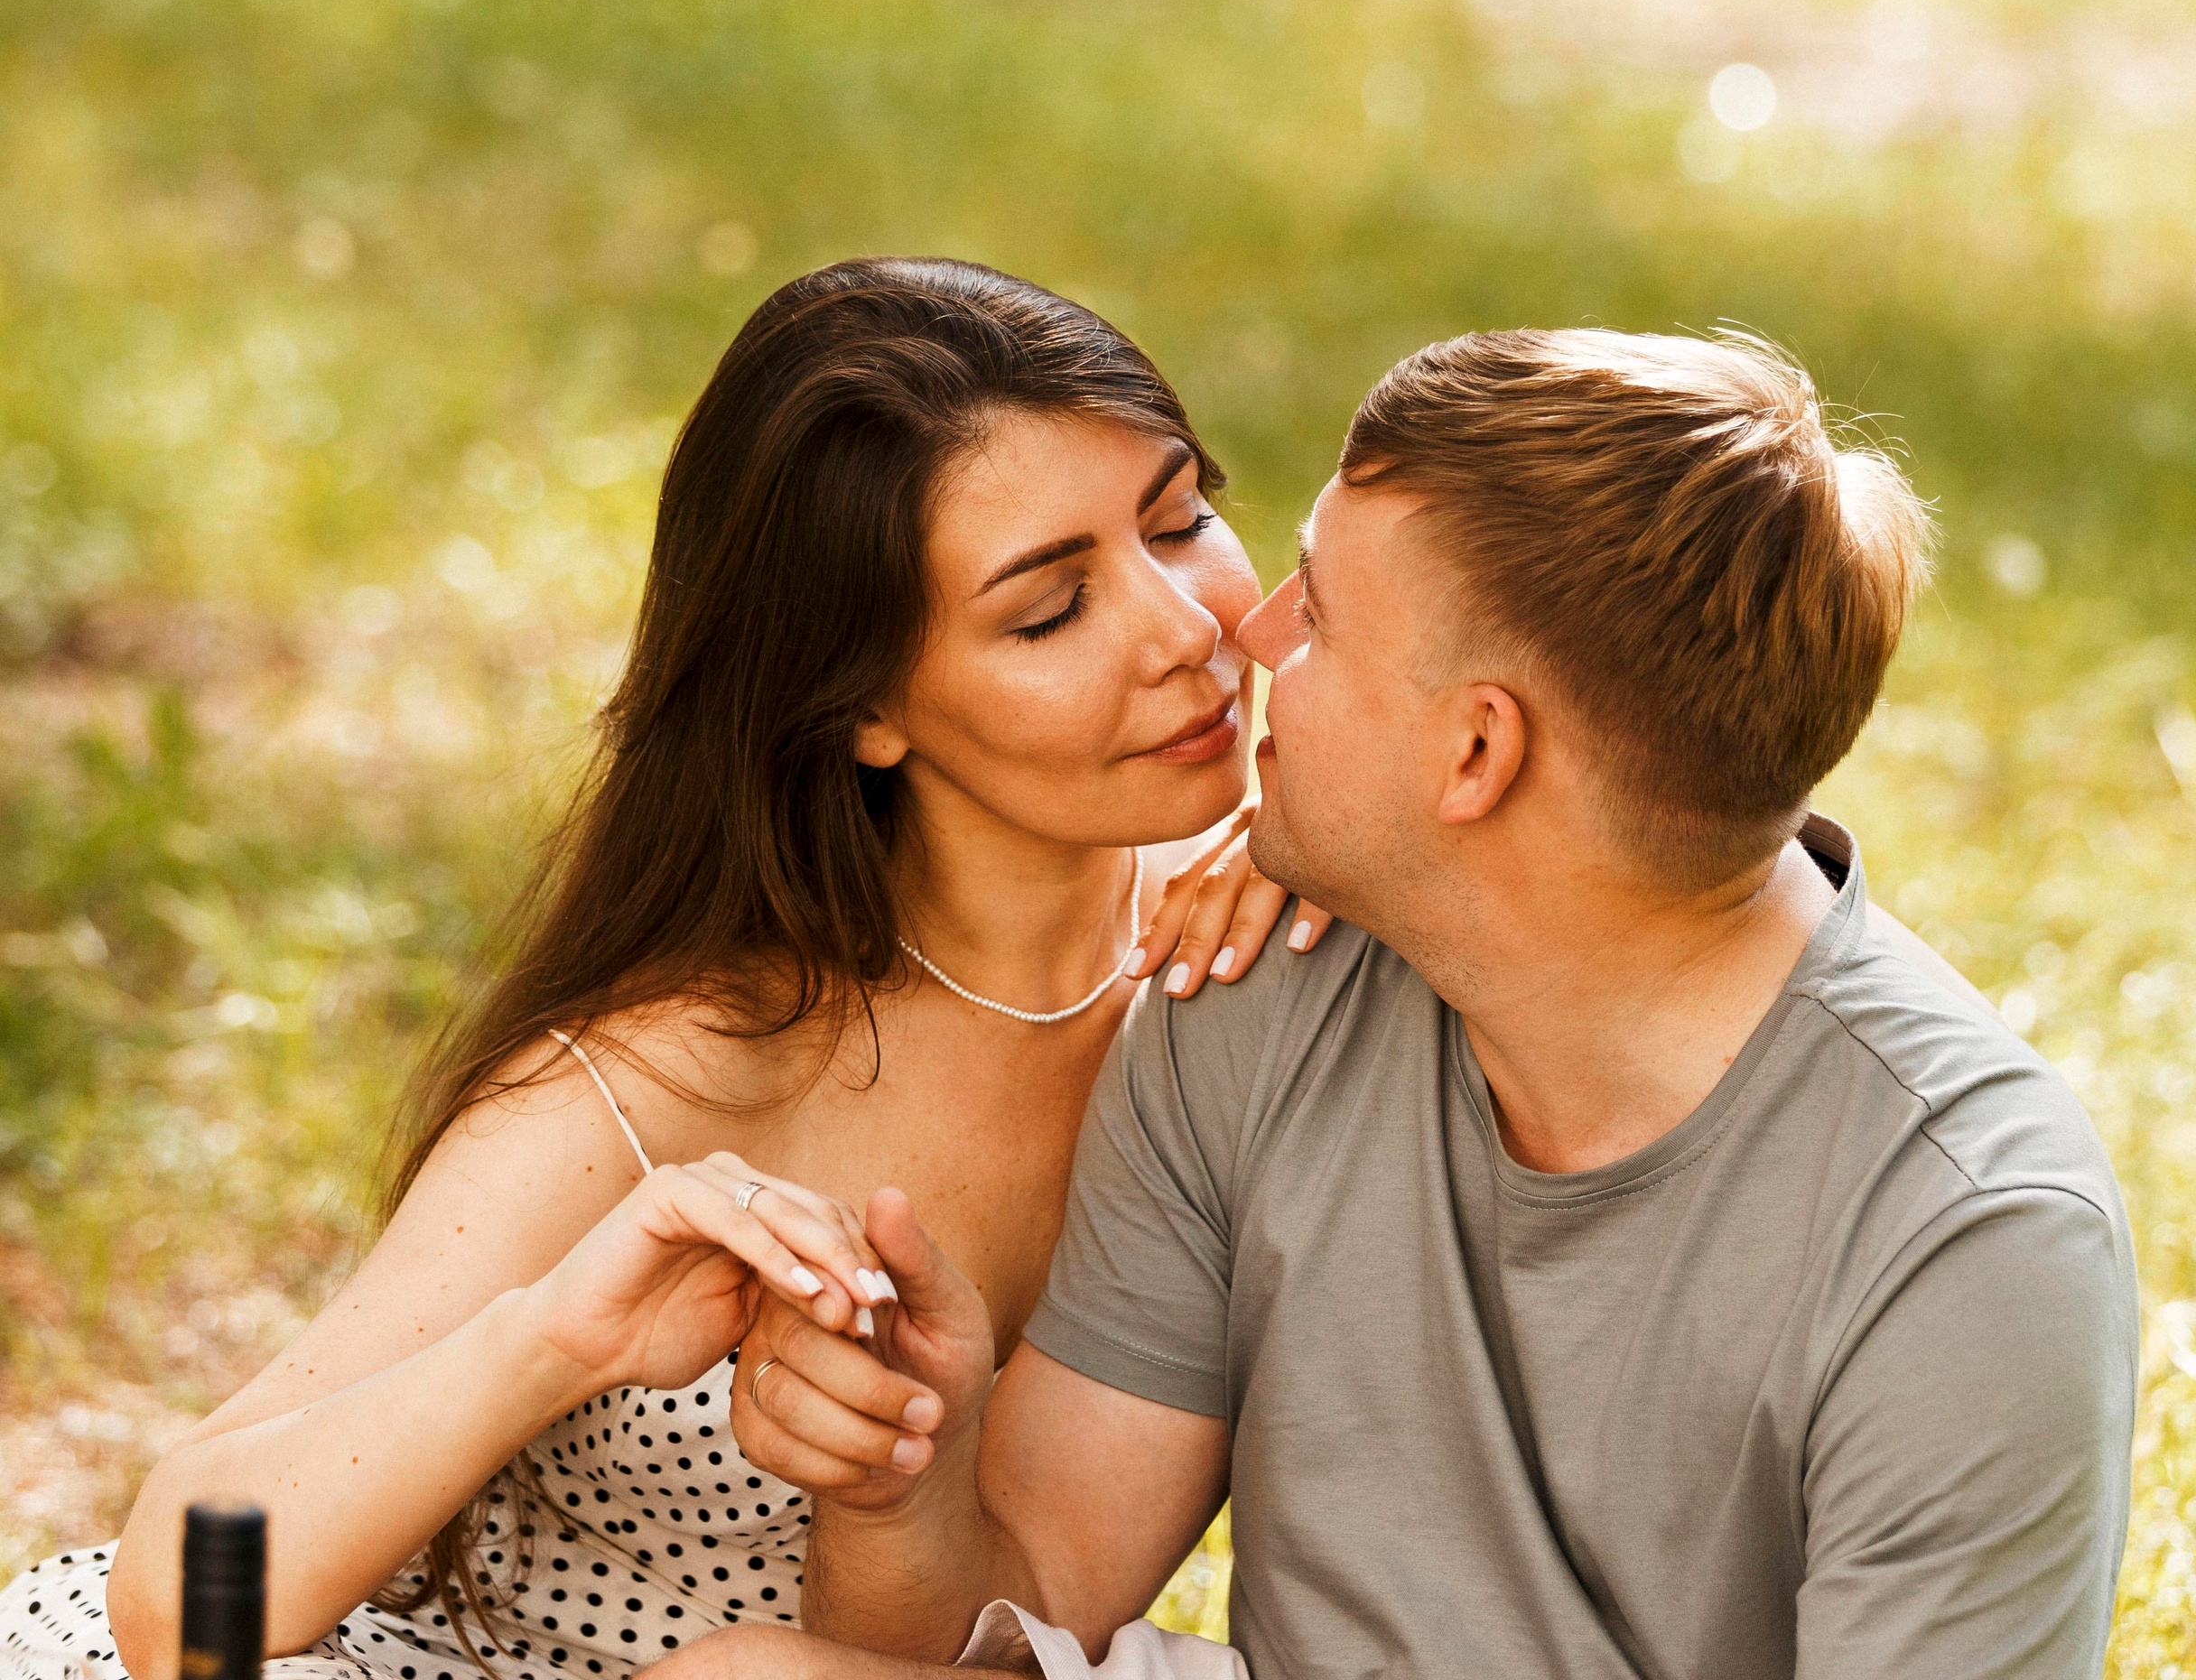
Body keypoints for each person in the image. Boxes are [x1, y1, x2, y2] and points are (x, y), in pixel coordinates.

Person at [694, 329, 2142, 1679]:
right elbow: (1026, 1591)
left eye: (1316, 612)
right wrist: (902, 1478)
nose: (1245, 636)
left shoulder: (1966, 1239)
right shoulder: (1254, 992)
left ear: (1475, 755)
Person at [0, 257, 1335, 1680]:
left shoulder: (1268, 947)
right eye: (1047, 612)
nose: (1189, 629)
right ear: (865, 705)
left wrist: (1338, 831)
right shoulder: (684, 1067)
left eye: (1182, 519)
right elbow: (182, 1604)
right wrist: (553, 1342)